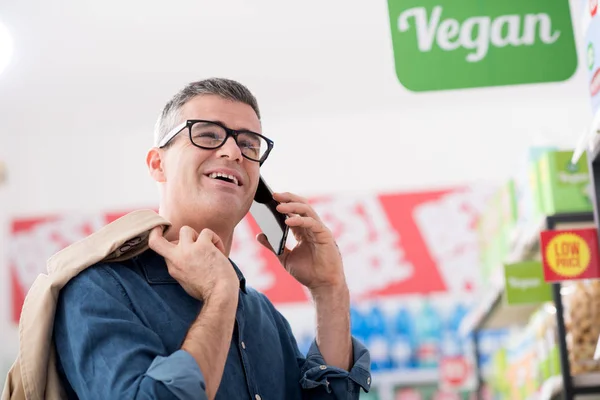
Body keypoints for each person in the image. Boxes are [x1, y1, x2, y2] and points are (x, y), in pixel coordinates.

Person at [53, 78, 372, 399]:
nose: (234, 152)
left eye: (249, 144)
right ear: (157, 164)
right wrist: (220, 297)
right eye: (207, 134)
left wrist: (329, 290)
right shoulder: (98, 289)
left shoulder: (264, 315)